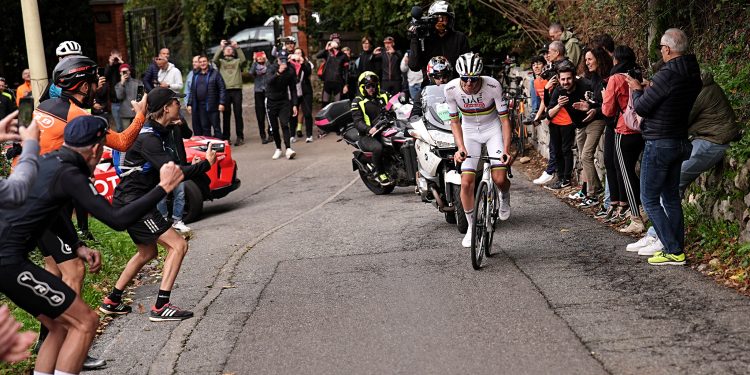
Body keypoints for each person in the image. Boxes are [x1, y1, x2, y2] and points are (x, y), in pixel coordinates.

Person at [0, 114, 184, 374]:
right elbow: (117, 220)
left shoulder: (51, 160)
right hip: (8, 262)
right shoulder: (71, 174)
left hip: (10, 259)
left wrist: (77, 246)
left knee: (59, 325)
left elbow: (51, 213)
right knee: (86, 322)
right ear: (97, 149)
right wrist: (163, 187)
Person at [30, 55, 147, 370]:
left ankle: (49, 340)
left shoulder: (46, 107)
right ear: (83, 85)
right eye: (95, 79)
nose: (99, 83)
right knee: (75, 273)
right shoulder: (78, 115)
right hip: (46, 205)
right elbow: (121, 142)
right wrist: (141, 115)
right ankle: (72, 342)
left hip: (37, 195)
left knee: (55, 272)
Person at [100, 88, 216, 321]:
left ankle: (112, 300)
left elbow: (183, 133)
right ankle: (161, 306)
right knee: (178, 245)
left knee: (147, 252)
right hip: (135, 203)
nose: (179, 106)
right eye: (176, 103)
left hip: (134, 200)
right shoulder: (149, 138)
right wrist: (205, 164)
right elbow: (171, 172)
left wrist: (171, 122)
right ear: (166, 107)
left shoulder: (156, 131)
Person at [627, 68, 740, 256]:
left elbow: (677, 120)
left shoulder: (699, 92)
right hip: (702, 137)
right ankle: (658, 236)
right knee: (668, 186)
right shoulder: (696, 86)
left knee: (672, 183)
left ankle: (661, 237)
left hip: (714, 140)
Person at [628, 28, 702, 266]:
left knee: (649, 199)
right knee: (670, 197)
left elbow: (641, 108)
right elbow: (669, 99)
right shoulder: (692, 73)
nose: (661, 51)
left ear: (667, 49)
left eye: (661, 47)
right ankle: (676, 248)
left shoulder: (666, 74)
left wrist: (638, 90)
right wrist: (652, 85)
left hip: (660, 142)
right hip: (679, 140)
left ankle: (672, 249)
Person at [446, 52, 513, 248]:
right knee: (466, 182)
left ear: (479, 76)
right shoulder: (451, 89)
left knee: (500, 178)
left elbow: (504, 120)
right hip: (469, 132)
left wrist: (506, 149)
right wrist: (460, 147)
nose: (468, 83)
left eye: (473, 79)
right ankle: (471, 227)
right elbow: (454, 121)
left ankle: (504, 195)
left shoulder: (492, 85)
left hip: (492, 129)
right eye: (464, 79)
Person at [602, 45, 646, 233]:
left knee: (626, 174)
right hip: (642, 128)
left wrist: (604, 97)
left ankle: (635, 218)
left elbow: (608, 110)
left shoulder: (616, 78)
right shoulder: (637, 74)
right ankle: (643, 209)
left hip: (624, 129)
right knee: (641, 172)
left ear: (616, 60)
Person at [569, 48, 612, 207]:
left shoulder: (606, 78)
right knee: (582, 155)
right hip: (584, 121)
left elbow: (606, 104)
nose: (587, 63)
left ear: (599, 59)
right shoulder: (589, 78)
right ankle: (587, 189)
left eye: (590, 59)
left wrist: (594, 108)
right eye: (585, 60)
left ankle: (594, 193)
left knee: (587, 155)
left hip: (599, 119)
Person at [546, 64, 590, 190]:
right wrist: (559, 106)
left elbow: (598, 100)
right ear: (559, 80)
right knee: (558, 149)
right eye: (563, 79)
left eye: (569, 79)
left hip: (589, 122)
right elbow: (548, 114)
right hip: (577, 125)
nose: (566, 82)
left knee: (570, 151)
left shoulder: (584, 86)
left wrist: (589, 107)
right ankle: (562, 179)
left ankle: (570, 180)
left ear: (574, 78)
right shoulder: (559, 91)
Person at [408, 0, 469, 83]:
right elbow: (414, 66)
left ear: (450, 20)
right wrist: (414, 39)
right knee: (416, 97)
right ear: (430, 19)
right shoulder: (424, 38)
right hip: (430, 87)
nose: (440, 21)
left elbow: (467, 66)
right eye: (436, 18)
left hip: (455, 86)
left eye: (443, 18)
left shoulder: (459, 38)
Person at [351, 72, 392, 183]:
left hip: (387, 128)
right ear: (362, 88)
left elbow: (395, 104)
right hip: (367, 135)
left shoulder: (384, 95)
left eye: (373, 85)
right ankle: (380, 173)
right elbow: (357, 121)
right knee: (378, 148)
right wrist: (369, 129)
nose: (371, 89)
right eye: (368, 86)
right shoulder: (357, 102)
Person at [265, 54, 298, 160]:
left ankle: (288, 148)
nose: (283, 62)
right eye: (281, 60)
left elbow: (293, 88)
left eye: (285, 60)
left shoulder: (290, 70)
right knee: (274, 127)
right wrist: (278, 72)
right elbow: (269, 82)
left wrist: (294, 104)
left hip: (284, 101)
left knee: (285, 124)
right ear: (277, 60)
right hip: (271, 101)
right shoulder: (271, 68)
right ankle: (278, 148)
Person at [214, 39, 247, 145]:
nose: (228, 50)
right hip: (225, 91)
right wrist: (220, 47)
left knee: (238, 114)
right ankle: (226, 137)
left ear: (233, 52)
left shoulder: (237, 61)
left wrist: (237, 47)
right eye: (226, 49)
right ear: (223, 52)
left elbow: (244, 61)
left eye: (230, 49)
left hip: (236, 89)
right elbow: (214, 60)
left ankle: (240, 136)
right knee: (226, 115)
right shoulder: (221, 62)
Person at [187, 55, 226, 137]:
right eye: (200, 62)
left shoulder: (215, 73)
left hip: (213, 105)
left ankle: (219, 146)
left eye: (204, 61)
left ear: (208, 62)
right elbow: (192, 91)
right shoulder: (196, 75)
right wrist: (189, 104)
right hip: (200, 106)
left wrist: (222, 103)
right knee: (205, 127)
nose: (202, 63)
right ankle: (208, 147)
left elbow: (222, 88)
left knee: (216, 127)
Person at [315, 39, 349, 107]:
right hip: (328, 82)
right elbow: (317, 56)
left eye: (337, 42)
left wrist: (346, 85)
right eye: (334, 41)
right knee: (324, 104)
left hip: (338, 83)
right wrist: (326, 48)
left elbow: (346, 71)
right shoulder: (327, 53)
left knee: (338, 105)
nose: (335, 43)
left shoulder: (343, 55)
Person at [292, 48, 314, 142]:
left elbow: (308, 72)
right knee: (293, 114)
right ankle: (292, 135)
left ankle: (309, 135)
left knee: (307, 113)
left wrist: (301, 63)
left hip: (306, 91)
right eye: (296, 53)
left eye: (299, 53)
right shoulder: (290, 64)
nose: (297, 55)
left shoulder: (306, 64)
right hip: (294, 92)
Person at [249, 51, 272, 144]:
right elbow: (251, 72)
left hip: (267, 91)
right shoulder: (255, 66)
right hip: (258, 91)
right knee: (260, 114)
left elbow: (271, 70)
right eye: (259, 57)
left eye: (262, 57)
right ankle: (262, 135)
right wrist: (254, 61)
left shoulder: (267, 65)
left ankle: (271, 133)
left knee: (270, 113)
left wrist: (266, 60)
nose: (260, 58)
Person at [114, 63, 142, 131]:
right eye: (123, 72)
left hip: (136, 113)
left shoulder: (138, 82)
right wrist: (122, 84)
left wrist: (137, 107)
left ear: (129, 71)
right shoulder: (118, 85)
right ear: (120, 73)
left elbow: (141, 97)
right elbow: (119, 97)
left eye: (126, 71)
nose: (125, 73)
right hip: (125, 114)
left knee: (138, 133)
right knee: (127, 135)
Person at [104, 50, 125, 130]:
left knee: (127, 125)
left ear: (120, 56)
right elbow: (105, 76)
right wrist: (110, 64)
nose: (115, 59)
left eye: (117, 57)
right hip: (114, 101)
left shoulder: (124, 66)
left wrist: (121, 62)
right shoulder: (109, 67)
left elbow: (131, 74)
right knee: (119, 127)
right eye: (114, 57)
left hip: (125, 101)